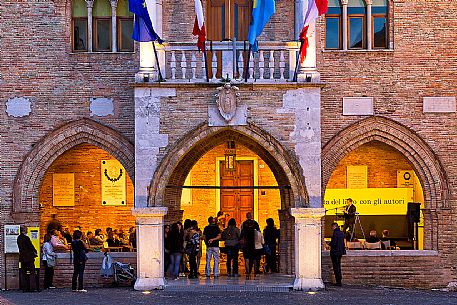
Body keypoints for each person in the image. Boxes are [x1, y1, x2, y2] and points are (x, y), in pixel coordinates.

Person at [17, 225, 39, 292]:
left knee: (23, 273)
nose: (27, 230)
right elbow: (31, 247)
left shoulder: (19, 238)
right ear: (24, 230)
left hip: (22, 257)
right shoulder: (26, 238)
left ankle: (24, 288)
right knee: (32, 272)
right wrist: (35, 252)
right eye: (26, 229)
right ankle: (32, 288)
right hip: (29, 257)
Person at [240, 212, 258, 279]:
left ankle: (248, 272)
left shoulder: (244, 224)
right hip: (254, 243)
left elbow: (242, 233)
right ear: (252, 216)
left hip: (246, 244)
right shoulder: (255, 223)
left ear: (246, 216)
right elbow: (258, 232)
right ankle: (255, 272)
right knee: (254, 259)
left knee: (246, 259)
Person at [329, 222, 346, 286]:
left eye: (332, 227)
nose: (331, 228)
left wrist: (329, 244)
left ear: (334, 226)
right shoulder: (342, 233)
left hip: (335, 252)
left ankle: (338, 281)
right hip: (340, 252)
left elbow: (334, 243)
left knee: (336, 266)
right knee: (338, 265)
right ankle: (339, 280)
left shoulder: (335, 233)